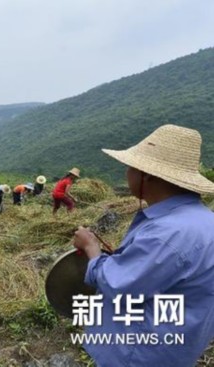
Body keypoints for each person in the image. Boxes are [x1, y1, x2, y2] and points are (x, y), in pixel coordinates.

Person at [73, 124, 214, 366]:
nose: (127, 173)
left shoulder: (166, 234)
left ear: (146, 175)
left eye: (130, 167)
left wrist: (92, 249)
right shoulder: (203, 219)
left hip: (139, 352)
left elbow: (120, 286)